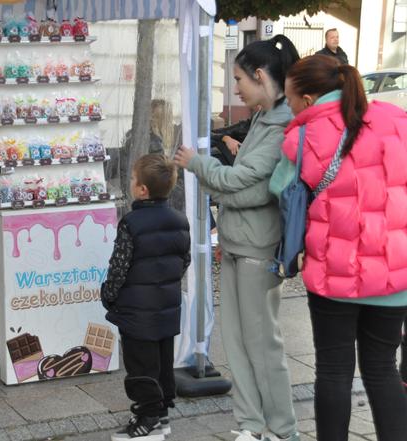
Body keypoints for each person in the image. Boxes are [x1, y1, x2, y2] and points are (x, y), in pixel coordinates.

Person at [175, 35, 301, 441]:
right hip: (234, 243)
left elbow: (249, 186)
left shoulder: (282, 124)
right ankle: (250, 424)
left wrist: (200, 166)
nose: (235, 88)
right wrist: (224, 185)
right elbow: (239, 188)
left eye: (239, 79)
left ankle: (282, 430)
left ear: (261, 76)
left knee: (263, 345)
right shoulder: (264, 119)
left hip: (256, 249)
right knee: (236, 342)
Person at [281, 54, 407, 440]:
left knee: (333, 370)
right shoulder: (397, 120)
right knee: (382, 368)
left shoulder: (302, 135)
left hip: (333, 274)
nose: (288, 105)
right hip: (393, 272)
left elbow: (279, 189)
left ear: (306, 97)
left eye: (289, 97)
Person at [101, 153, 190, 441]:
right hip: (166, 306)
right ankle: (161, 413)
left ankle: (147, 415)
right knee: (163, 362)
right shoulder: (180, 220)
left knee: (140, 364)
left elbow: (119, 266)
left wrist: (109, 295)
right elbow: (183, 260)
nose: (130, 183)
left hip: (137, 311)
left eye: (132, 179)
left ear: (142, 190)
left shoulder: (131, 223)